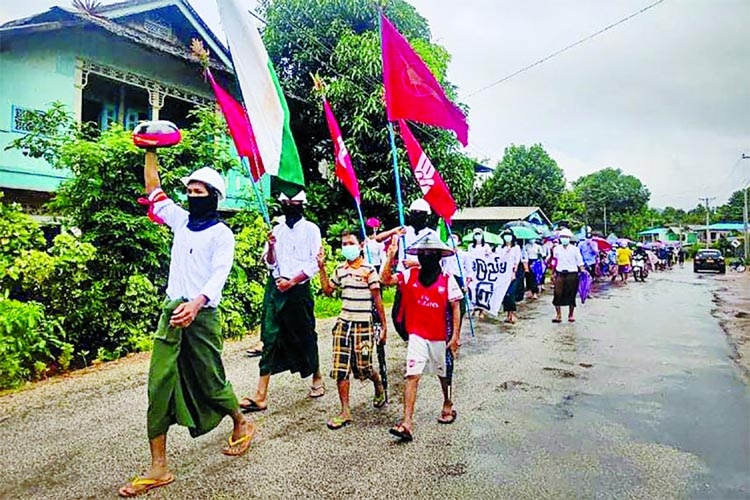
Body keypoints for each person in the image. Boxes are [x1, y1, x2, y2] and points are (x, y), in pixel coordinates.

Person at [119, 152, 255, 497]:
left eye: (199, 192)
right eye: (190, 192)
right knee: (158, 384)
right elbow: (154, 188)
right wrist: (150, 149)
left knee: (210, 381)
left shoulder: (222, 234)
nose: (192, 197)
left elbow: (219, 274)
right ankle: (159, 467)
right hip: (172, 313)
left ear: (214, 197)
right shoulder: (180, 221)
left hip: (203, 315)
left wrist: (196, 304)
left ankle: (241, 422)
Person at [240, 190, 325, 413]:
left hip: (298, 290)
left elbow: (314, 263)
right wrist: (270, 247)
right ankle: (260, 395)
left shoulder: (311, 230)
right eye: (285, 202)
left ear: (302, 204)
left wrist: (292, 281)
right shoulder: (276, 230)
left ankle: (316, 376)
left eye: (294, 202)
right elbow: (270, 263)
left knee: (305, 334)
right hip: (276, 289)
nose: (289, 205)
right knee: (269, 337)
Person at [381, 233, 462, 442]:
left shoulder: (447, 279)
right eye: (423, 253)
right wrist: (390, 256)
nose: (427, 256)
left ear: (438, 256)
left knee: (443, 374)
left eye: (431, 253)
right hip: (417, 335)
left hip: (439, 336)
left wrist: (455, 336)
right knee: (412, 375)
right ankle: (407, 422)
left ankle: (447, 403)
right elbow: (386, 280)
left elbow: (455, 307)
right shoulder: (410, 275)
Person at [317, 230, 387, 430]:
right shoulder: (340, 269)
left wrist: (383, 327)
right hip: (343, 324)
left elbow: (378, 300)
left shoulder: (369, 270)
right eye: (344, 244)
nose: (347, 247)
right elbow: (328, 291)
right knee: (340, 368)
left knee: (363, 367)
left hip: (363, 324)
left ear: (360, 245)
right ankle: (345, 411)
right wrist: (321, 267)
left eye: (350, 243)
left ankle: (377, 383)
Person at [551, 228, 585, 323]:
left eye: (566, 237)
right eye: (562, 237)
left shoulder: (575, 249)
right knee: (557, 294)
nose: (564, 239)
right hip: (560, 273)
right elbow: (554, 262)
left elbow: (580, 262)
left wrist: (583, 271)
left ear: (569, 238)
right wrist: (553, 273)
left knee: (571, 294)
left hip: (572, 274)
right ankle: (558, 315)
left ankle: (571, 315)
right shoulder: (556, 249)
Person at [496, 229, 522, 324]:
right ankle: (507, 314)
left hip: (512, 273)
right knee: (505, 295)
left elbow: (517, 261)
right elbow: (497, 259)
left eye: (509, 235)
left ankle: (512, 314)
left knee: (511, 294)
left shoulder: (516, 248)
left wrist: (514, 272)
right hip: (502, 274)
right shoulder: (500, 248)